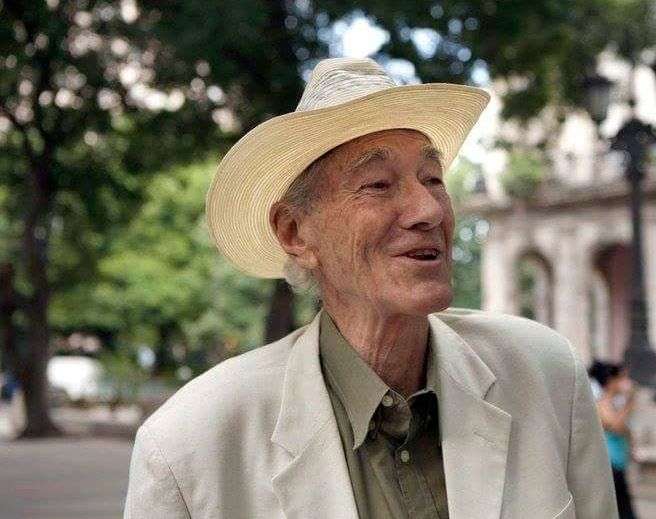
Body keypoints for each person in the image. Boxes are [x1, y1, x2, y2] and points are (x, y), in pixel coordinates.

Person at [124, 57, 618, 519]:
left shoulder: (545, 375)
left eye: (432, 178)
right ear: (295, 233)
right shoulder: (189, 445)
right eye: (378, 185)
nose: (428, 211)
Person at [589, 361, 638, 519]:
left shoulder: (614, 404)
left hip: (617, 463)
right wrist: (630, 402)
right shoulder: (601, 404)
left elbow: (626, 431)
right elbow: (616, 425)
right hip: (608, 464)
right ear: (611, 381)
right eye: (622, 378)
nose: (626, 383)